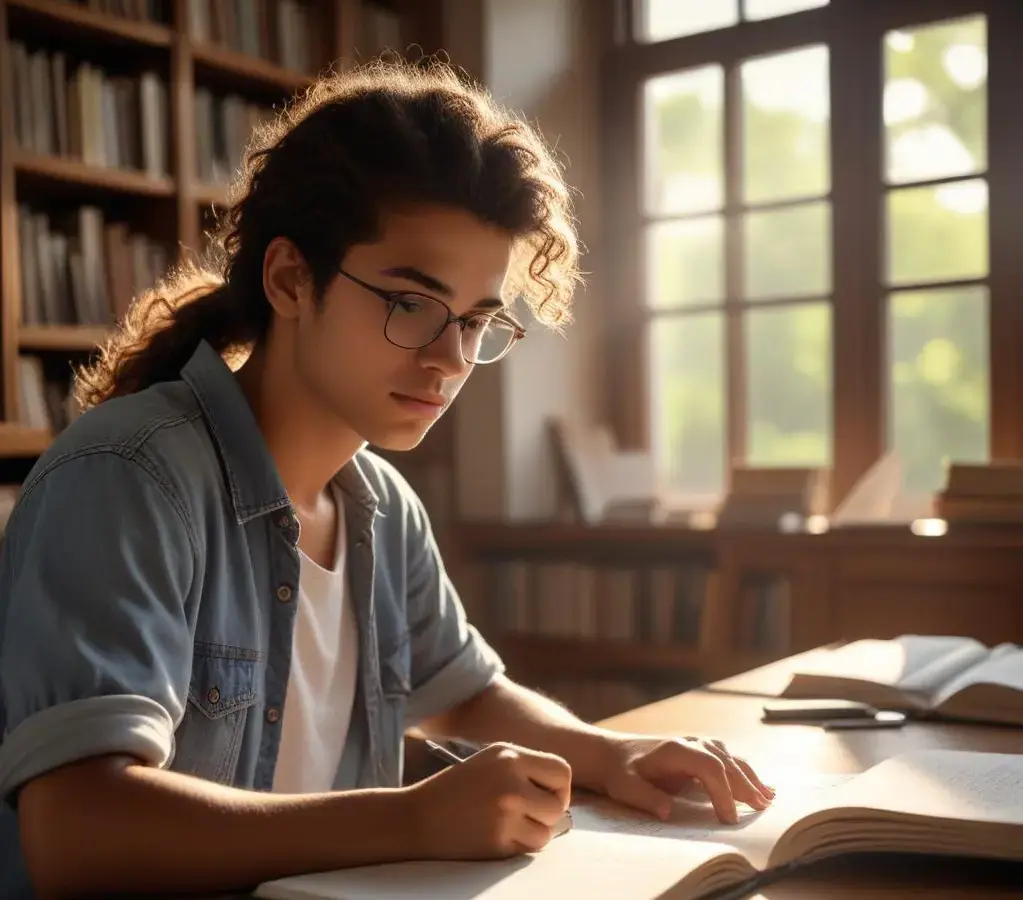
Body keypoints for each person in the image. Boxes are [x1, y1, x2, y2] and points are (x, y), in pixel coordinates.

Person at [0, 59, 773, 899]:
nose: (449, 361)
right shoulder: (130, 477)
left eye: (477, 321)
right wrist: (412, 816)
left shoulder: (380, 504)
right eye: (410, 303)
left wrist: (611, 754)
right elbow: (77, 832)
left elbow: (468, 692)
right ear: (291, 277)